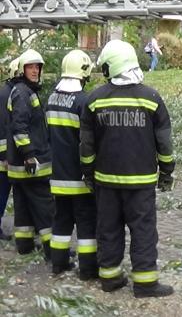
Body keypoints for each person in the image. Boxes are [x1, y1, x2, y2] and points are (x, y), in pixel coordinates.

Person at [80, 40, 175, 297]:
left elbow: (86, 146)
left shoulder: (94, 100)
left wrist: (88, 174)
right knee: (143, 231)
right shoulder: (152, 99)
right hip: (140, 183)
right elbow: (164, 143)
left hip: (106, 182)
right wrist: (167, 172)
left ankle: (110, 278)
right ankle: (145, 283)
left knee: (108, 229)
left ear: (113, 65)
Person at [47, 50, 98, 278]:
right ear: (84, 71)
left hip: (56, 175)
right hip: (78, 177)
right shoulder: (83, 101)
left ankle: (58, 263)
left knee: (61, 220)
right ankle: (87, 268)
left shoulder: (50, 98)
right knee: (86, 223)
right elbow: (88, 142)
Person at [6, 49, 54, 258]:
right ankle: (55, 251)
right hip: (30, 164)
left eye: (37, 67)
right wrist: (29, 155)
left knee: (23, 205)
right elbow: (19, 127)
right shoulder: (23, 93)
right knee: (44, 206)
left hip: (19, 166)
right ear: (21, 69)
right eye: (30, 67)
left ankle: (24, 245)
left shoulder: (22, 90)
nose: (35, 71)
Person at [0, 57, 19, 241]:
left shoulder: (7, 91)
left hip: (7, 154)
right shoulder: (9, 94)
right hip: (5, 157)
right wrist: (5, 156)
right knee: (2, 192)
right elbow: (5, 127)